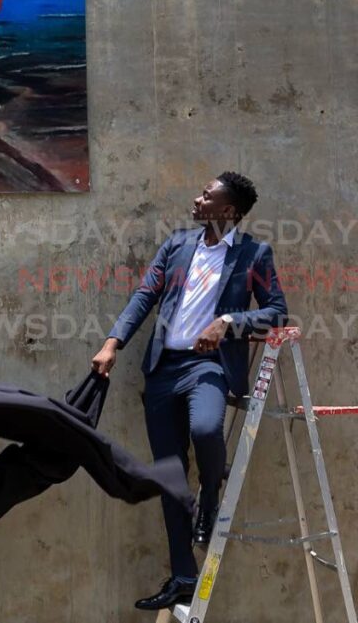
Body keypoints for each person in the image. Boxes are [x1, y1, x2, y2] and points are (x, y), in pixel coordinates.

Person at [91, 172, 288, 611]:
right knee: (170, 477)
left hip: (209, 368)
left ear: (229, 211)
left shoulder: (254, 253)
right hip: (163, 371)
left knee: (204, 429)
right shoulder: (177, 245)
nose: (197, 199)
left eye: (207, 196)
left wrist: (229, 323)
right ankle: (182, 574)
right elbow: (145, 296)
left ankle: (212, 497)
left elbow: (277, 311)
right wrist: (111, 344)